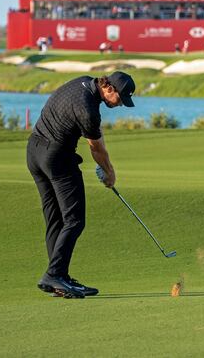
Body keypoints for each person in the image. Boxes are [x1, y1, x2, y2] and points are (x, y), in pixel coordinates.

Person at [28, 71, 136, 299]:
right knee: (75, 220)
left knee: (56, 219)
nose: (120, 106)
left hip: (34, 152)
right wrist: (110, 173)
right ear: (109, 89)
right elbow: (96, 148)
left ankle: (58, 279)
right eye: (121, 99)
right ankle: (54, 274)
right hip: (56, 158)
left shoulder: (83, 82)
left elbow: (95, 138)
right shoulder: (88, 110)